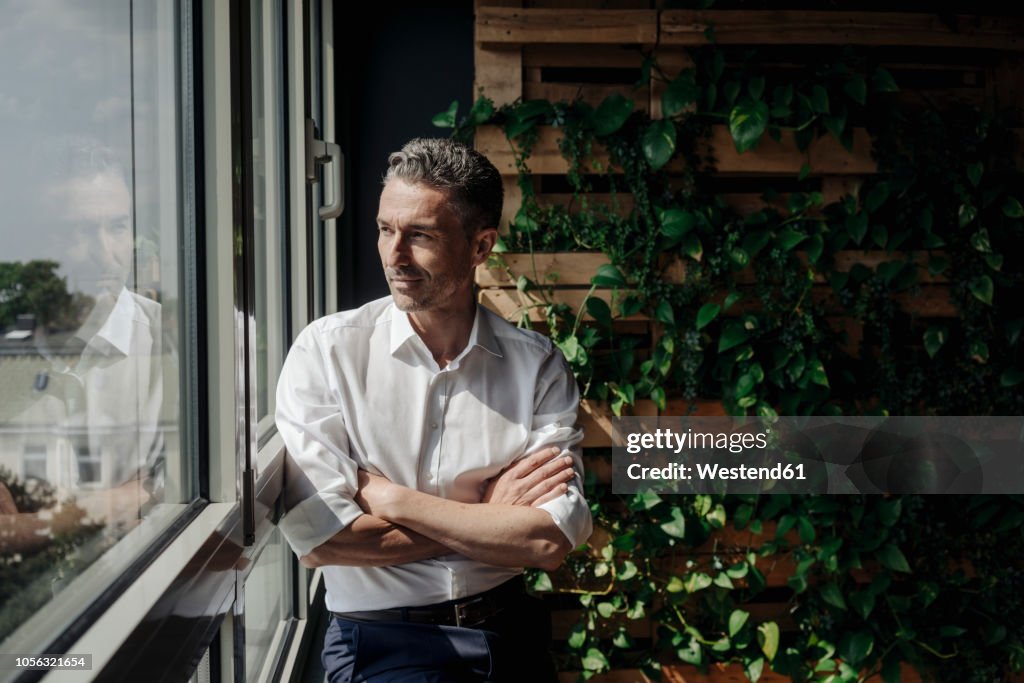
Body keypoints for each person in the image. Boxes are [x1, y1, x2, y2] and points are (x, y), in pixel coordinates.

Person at [276, 138, 592, 682]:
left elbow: (546, 540)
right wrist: (488, 512)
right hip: (379, 644)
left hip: (509, 632)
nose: (394, 256)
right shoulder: (327, 351)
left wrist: (387, 497)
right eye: (384, 229)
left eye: (419, 235)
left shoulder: (537, 366)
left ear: (480, 246)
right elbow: (324, 538)